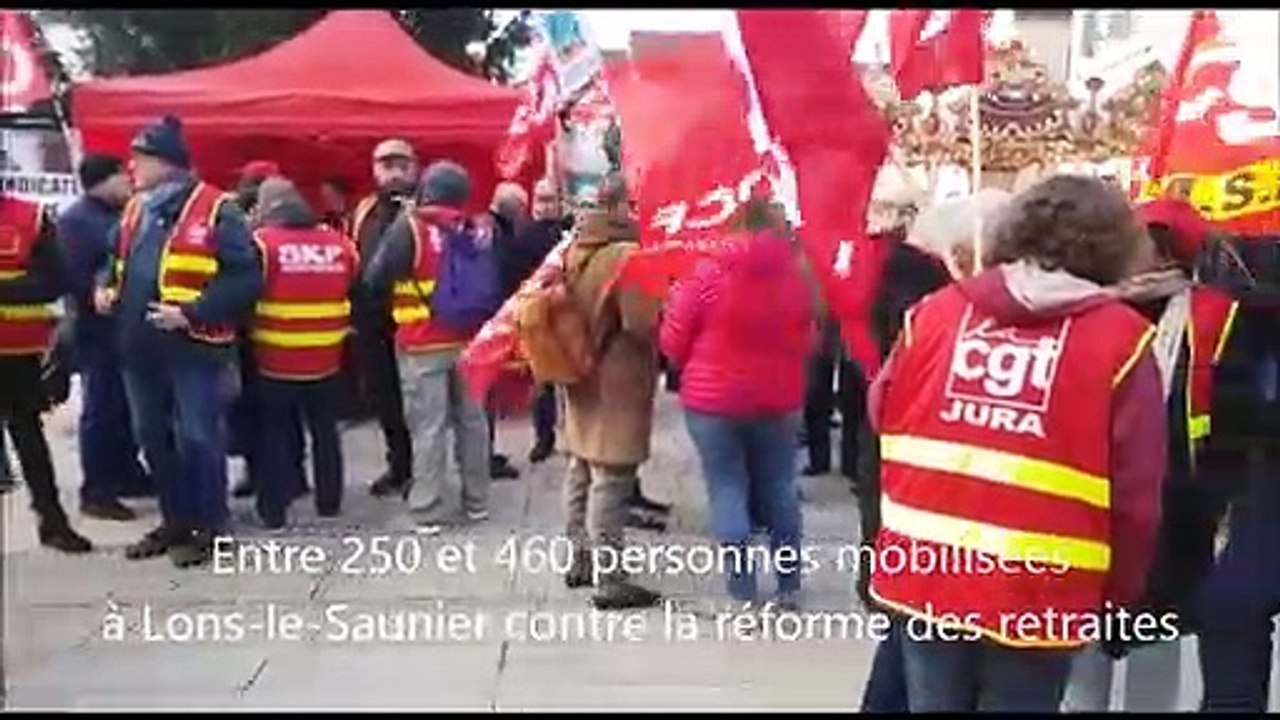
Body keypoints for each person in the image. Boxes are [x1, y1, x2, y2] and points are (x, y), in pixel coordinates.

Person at [867, 175, 1167, 712]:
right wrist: (1119, 591)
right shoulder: (1122, 343)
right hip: (1041, 588)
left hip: (928, 573)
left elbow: (880, 408)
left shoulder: (936, 313)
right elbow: (1136, 493)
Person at [1058, 197, 1253, 711]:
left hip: (1176, 510)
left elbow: (1231, 412)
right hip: (1090, 501)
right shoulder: (1088, 309)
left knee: (1154, 656)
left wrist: (1212, 496)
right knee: (1083, 662)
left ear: (1168, 252)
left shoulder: (1216, 315)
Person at [95, 115, 263, 568]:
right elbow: (114, 259)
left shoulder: (216, 208)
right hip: (139, 347)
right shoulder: (136, 208)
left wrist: (190, 312)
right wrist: (104, 286)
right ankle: (175, 519)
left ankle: (210, 527)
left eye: (141, 158)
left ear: (167, 163)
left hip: (195, 348)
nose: (132, 167)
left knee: (198, 437)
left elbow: (247, 276)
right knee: (151, 437)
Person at [854, 190, 992, 713]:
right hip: (938, 533)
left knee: (906, 658)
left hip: (918, 539)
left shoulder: (913, 304)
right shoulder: (928, 314)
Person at [660, 195, 814, 610]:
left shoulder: (706, 274)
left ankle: (743, 591)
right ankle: (788, 585)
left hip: (714, 402)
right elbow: (810, 339)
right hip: (778, 399)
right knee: (781, 487)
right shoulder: (798, 276)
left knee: (726, 486)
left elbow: (673, 340)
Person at [362, 160, 491, 535]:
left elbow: (375, 278)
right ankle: (477, 501)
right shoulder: (474, 229)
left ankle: (428, 508)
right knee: (473, 423)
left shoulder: (411, 228)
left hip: (422, 343)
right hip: (469, 341)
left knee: (429, 426)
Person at [557, 173, 663, 610]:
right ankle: (610, 576)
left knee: (580, 465)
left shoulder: (577, 245)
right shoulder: (626, 254)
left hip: (579, 364)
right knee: (612, 475)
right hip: (618, 376)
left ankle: (578, 556)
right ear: (622, 206)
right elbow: (641, 324)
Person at [246, 178, 357, 529]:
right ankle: (329, 502)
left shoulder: (262, 244)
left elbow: (245, 291)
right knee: (325, 432)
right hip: (326, 356)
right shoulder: (340, 243)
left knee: (274, 434)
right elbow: (355, 283)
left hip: (275, 357)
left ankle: (273, 510)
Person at [56, 154, 153, 519]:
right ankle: (97, 490)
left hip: (125, 330)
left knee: (126, 408)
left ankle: (127, 473)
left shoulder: (118, 215)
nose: (129, 183)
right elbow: (73, 276)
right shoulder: (78, 221)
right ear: (103, 180)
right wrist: (99, 290)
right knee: (103, 410)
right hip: (98, 333)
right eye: (122, 177)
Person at [0, 196, 92, 552]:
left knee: (29, 438)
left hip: (17, 353)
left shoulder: (30, 218)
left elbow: (55, 281)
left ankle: (52, 522)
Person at [350, 138, 417, 499]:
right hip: (372, 322)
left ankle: (423, 471)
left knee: (419, 403)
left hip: (414, 320)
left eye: (400, 165)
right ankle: (399, 466)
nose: (393, 172)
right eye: (385, 165)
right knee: (384, 398)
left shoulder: (425, 207)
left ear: (414, 168)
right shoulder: (364, 210)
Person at [505, 179, 568, 464]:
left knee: (573, 377)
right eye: (539, 199)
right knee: (541, 383)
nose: (544, 205)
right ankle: (544, 437)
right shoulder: (522, 235)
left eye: (549, 199)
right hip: (536, 317)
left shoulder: (570, 234)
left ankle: (574, 436)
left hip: (568, 315)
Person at [484, 181, 529, 481]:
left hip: (482, 319)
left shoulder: (487, 229)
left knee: (483, 396)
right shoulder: (496, 234)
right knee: (482, 397)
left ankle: (484, 453)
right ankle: (483, 458)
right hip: (488, 320)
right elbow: (501, 276)